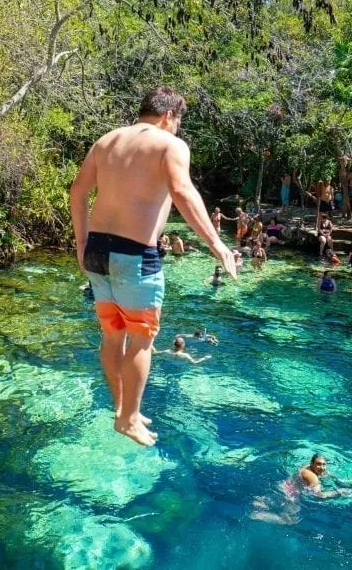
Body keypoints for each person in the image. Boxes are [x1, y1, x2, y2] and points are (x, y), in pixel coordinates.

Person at [70, 86, 236, 447]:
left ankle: (121, 408)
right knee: (142, 340)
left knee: (113, 335)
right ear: (167, 117)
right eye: (177, 122)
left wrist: (81, 244)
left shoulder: (107, 141)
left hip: (97, 251)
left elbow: (78, 192)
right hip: (135, 256)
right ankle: (129, 418)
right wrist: (218, 245)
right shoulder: (169, 144)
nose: (177, 130)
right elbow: (183, 192)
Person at [251, 454, 352, 525]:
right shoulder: (313, 478)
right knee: (290, 521)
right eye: (319, 464)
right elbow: (320, 496)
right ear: (312, 464)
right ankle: (259, 515)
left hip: (282, 486)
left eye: (324, 464)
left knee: (267, 502)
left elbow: (323, 472)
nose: (322, 467)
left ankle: (261, 502)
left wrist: (338, 479)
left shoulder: (307, 467)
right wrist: (339, 492)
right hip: (290, 496)